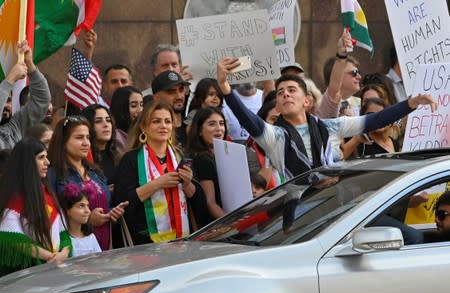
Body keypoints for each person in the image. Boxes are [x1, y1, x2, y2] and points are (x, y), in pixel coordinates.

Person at [216, 57, 436, 181]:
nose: (285, 94)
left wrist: (411, 104)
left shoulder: (331, 127)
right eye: (281, 92)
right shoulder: (276, 137)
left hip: (333, 209)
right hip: (299, 214)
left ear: (307, 101)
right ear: (278, 107)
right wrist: (226, 89)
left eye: (292, 90)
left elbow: (375, 120)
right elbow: (249, 122)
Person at [114, 100, 201, 244]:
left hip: (183, 239)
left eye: (167, 121)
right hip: (146, 242)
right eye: (156, 121)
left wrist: (187, 184)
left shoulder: (180, 156)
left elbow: (198, 202)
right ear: (143, 127)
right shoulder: (130, 159)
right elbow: (122, 201)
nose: (163, 126)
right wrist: (157, 184)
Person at [47, 116, 126, 251]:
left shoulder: (95, 172)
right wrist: (88, 219)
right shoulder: (53, 175)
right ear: (63, 142)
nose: (86, 143)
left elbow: (105, 204)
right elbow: (50, 217)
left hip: (104, 245)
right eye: (79, 138)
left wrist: (112, 212)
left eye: (88, 137)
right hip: (74, 248)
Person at [0, 138, 70, 276]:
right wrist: (49, 257)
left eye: (47, 157)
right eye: (41, 157)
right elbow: (13, 239)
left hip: (55, 267)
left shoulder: (49, 194)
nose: (47, 162)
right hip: (26, 274)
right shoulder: (13, 199)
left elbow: (63, 234)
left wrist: (64, 252)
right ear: (27, 163)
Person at [0, 41, 51, 150]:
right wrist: (9, 80)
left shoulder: (16, 127)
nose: (5, 105)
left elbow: (41, 100)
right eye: (3, 97)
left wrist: (30, 64)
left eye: (9, 100)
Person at [187, 107, 227, 221]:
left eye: (221, 123)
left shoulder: (222, 155)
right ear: (199, 131)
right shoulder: (203, 159)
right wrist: (235, 226)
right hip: (217, 228)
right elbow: (210, 203)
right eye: (212, 124)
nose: (219, 129)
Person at [81, 104, 120, 186]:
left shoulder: (117, 155)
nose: (106, 125)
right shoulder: (82, 159)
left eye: (108, 120)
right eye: (98, 121)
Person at [60, 182, 101, 257]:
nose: (88, 211)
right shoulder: (60, 240)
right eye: (81, 206)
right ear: (67, 210)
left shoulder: (91, 237)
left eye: (87, 206)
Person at [152, 70, 191, 148]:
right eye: (171, 92)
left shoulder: (192, 128)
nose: (179, 96)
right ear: (157, 97)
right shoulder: (152, 132)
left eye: (181, 90)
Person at [110, 86, 143, 154]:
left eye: (141, 105)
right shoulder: (116, 138)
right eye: (133, 106)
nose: (140, 110)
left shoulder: (144, 132)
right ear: (121, 109)